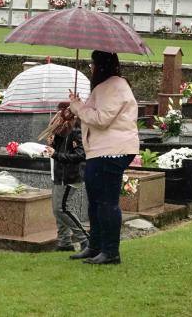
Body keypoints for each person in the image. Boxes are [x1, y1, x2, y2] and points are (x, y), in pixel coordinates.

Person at [68, 50, 139, 265]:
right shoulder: (107, 86)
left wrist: (79, 108)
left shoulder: (115, 86)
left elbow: (101, 119)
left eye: (93, 65)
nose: (91, 69)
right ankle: (95, 246)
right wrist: (78, 104)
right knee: (96, 202)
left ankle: (110, 251)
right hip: (101, 150)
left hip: (111, 150)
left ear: (101, 65)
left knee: (107, 202)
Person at [42, 103, 88, 252]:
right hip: (60, 174)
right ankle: (64, 242)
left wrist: (56, 154)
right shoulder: (63, 129)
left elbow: (81, 154)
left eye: (61, 112)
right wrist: (52, 142)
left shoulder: (76, 129)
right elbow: (60, 147)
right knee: (58, 209)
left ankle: (85, 239)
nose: (57, 115)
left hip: (71, 175)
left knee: (61, 208)